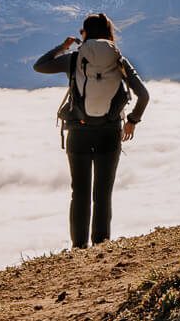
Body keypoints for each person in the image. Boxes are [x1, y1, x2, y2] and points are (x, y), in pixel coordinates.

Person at [34, 13, 149, 248]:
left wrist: (63, 47)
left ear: (84, 33)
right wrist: (132, 121)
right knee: (103, 195)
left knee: (80, 193)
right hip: (109, 132)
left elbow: (40, 66)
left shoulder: (74, 59)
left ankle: (78, 248)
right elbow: (143, 95)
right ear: (108, 33)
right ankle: (101, 246)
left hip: (78, 133)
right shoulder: (119, 61)